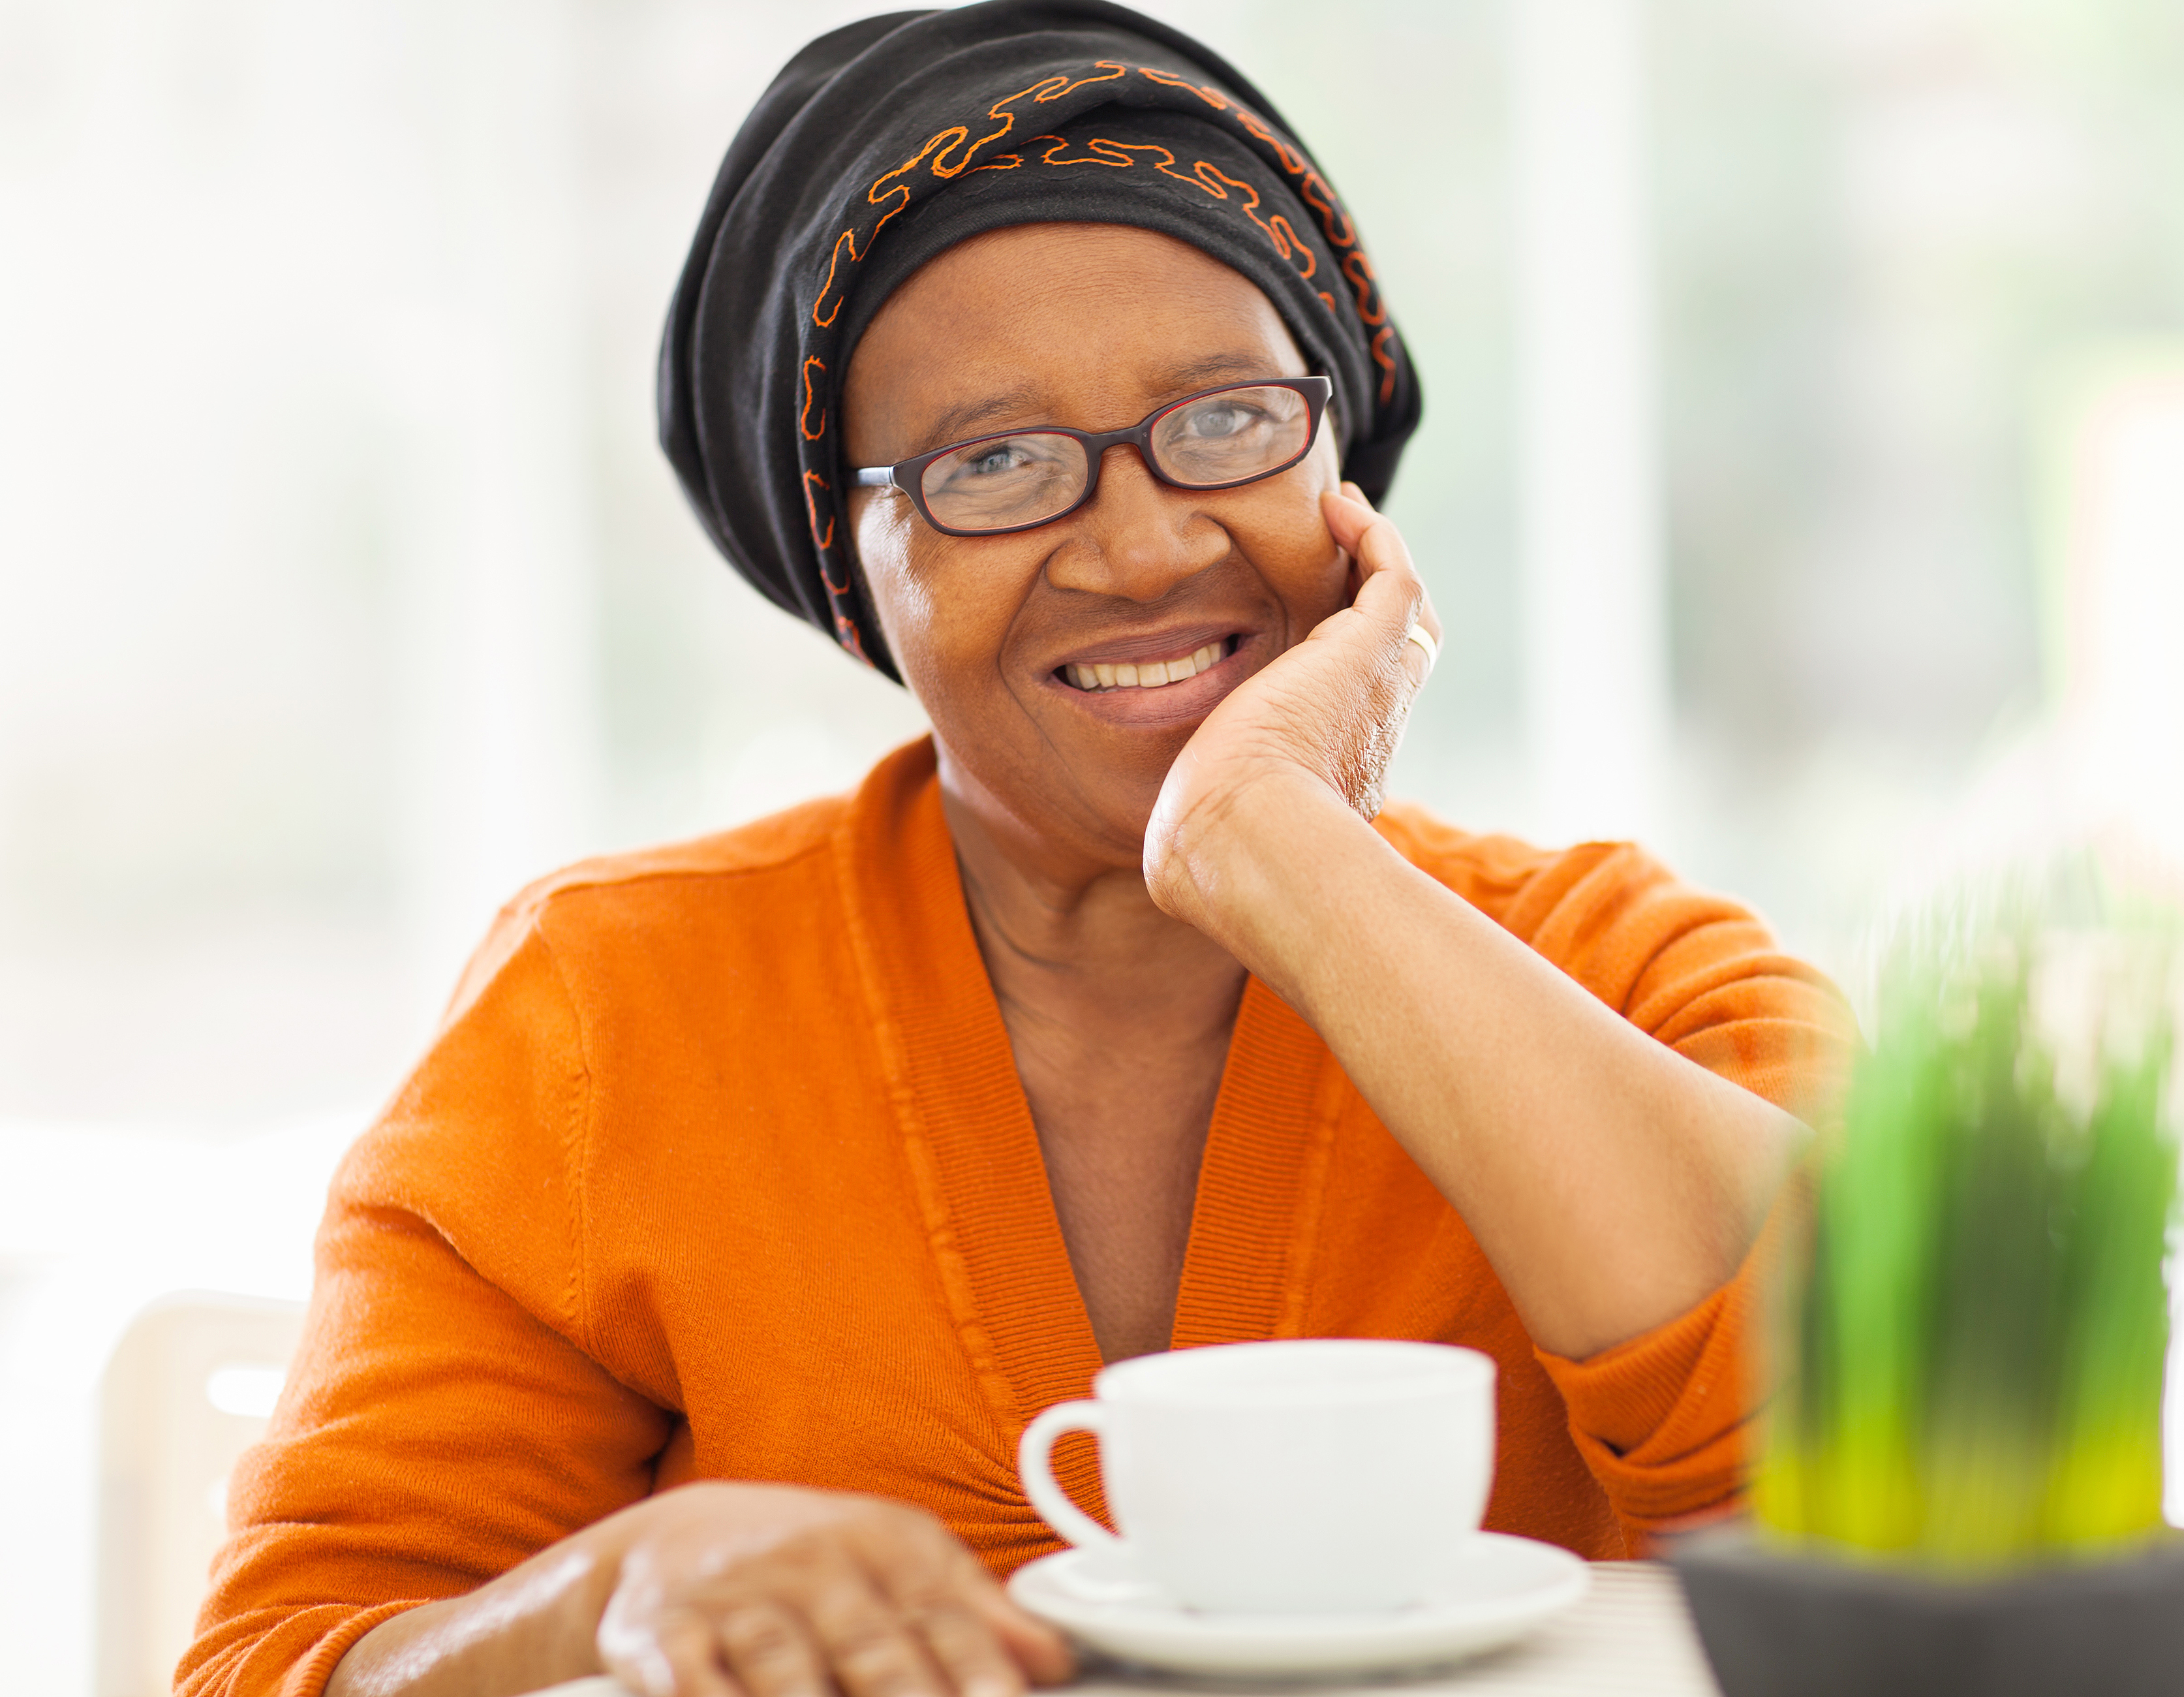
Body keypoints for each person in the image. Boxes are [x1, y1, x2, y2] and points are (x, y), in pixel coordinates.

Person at [179, 5, 1853, 1695]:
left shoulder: (1632, 975)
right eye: (993, 463)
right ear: (851, 562)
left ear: (1342, 460)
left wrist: (1284, 853)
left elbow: (1893, 1508)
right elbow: (286, 1661)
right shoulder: (609, 1015)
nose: (1138, 546)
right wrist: (606, 1587)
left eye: (1223, 419)